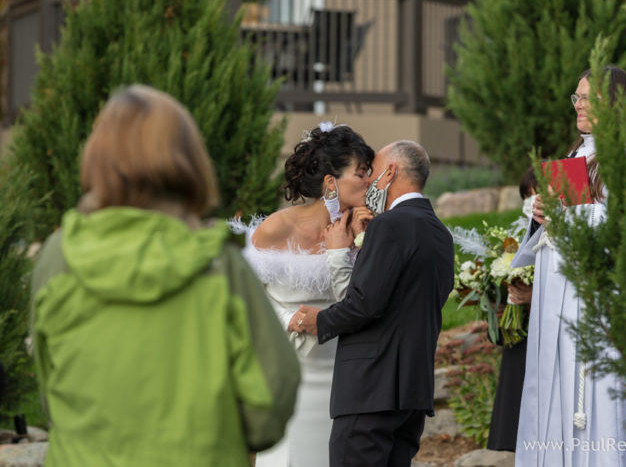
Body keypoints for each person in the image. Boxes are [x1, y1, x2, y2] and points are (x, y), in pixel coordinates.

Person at [30, 85, 300, 467]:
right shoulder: (220, 266)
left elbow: (48, 390)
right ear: (189, 159)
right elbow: (270, 398)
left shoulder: (59, 258)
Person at [512, 67, 626, 466]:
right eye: (577, 97)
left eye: (588, 98)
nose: (579, 105)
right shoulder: (575, 157)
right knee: (553, 399)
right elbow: (558, 227)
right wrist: (539, 215)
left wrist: (567, 214)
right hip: (558, 308)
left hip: (599, 308)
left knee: (599, 405)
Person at [294, 140, 455, 467]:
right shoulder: (440, 233)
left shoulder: (390, 224)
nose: (368, 181)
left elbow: (364, 303)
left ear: (390, 172)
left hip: (370, 389)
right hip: (411, 392)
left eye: (373, 171)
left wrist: (319, 322)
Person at [229, 123, 375, 467]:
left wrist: (354, 245)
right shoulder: (276, 228)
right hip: (292, 370)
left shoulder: (369, 228)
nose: (369, 181)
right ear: (330, 183)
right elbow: (247, 303)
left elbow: (364, 303)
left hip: (346, 373)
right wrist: (291, 320)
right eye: (361, 173)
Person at [486, 167, 537, 452]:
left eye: (537, 193)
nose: (532, 200)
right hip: (518, 347)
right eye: (526, 195)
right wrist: (500, 308)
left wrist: (534, 295)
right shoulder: (514, 240)